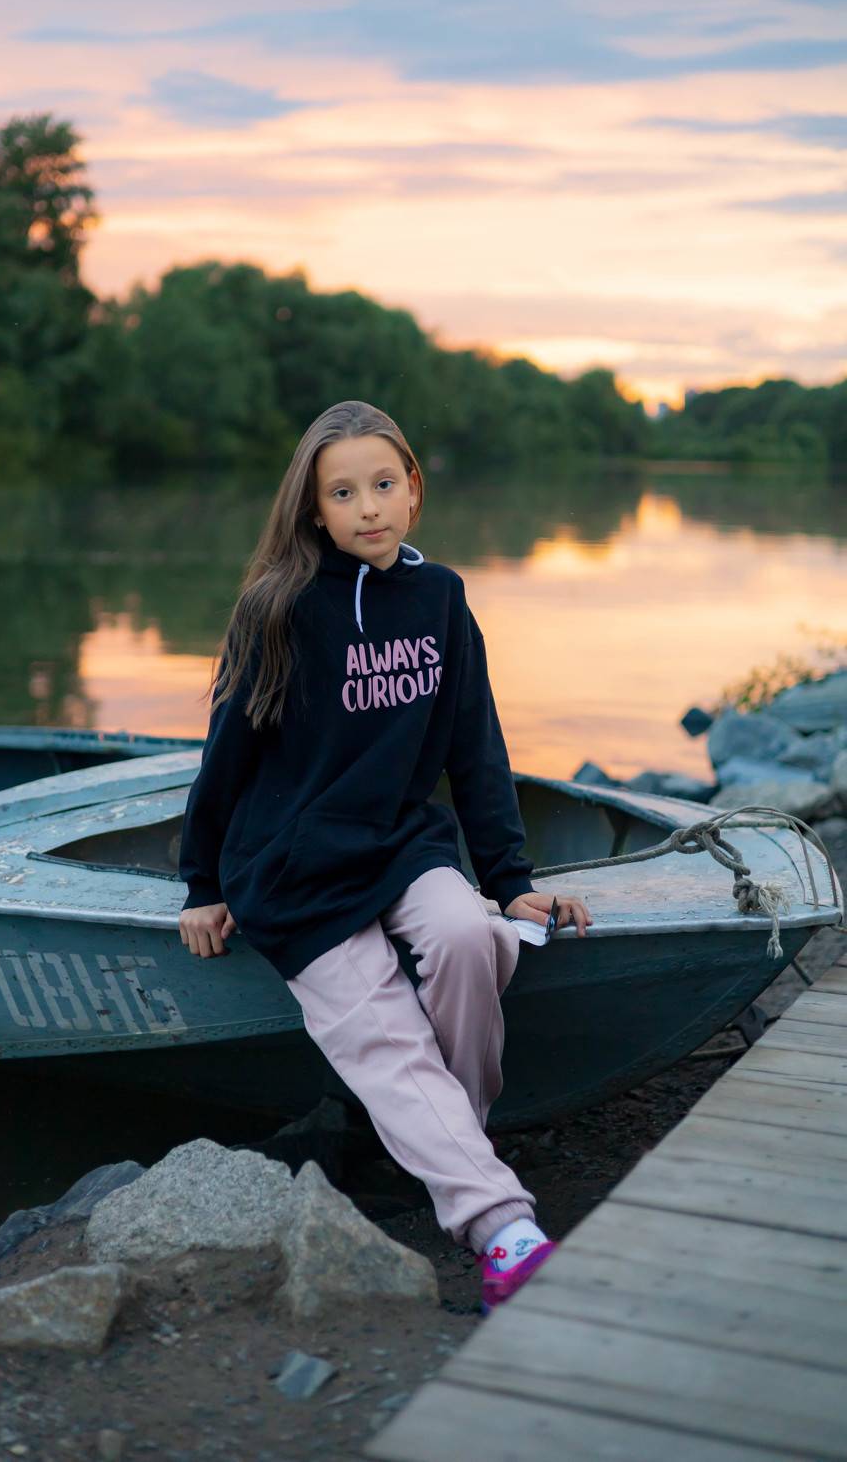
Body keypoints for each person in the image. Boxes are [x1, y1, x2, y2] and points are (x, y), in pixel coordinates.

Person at [178, 399, 593, 1312]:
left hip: (401, 840)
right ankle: (501, 1227)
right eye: (342, 492)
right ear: (313, 509)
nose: (366, 507)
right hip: (290, 861)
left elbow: (475, 747)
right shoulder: (277, 608)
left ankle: (443, 1148)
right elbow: (226, 754)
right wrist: (203, 883)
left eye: (382, 484)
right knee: (383, 1029)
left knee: (470, 938)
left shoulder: (440, 597)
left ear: (413, 490)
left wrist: (511, 882)